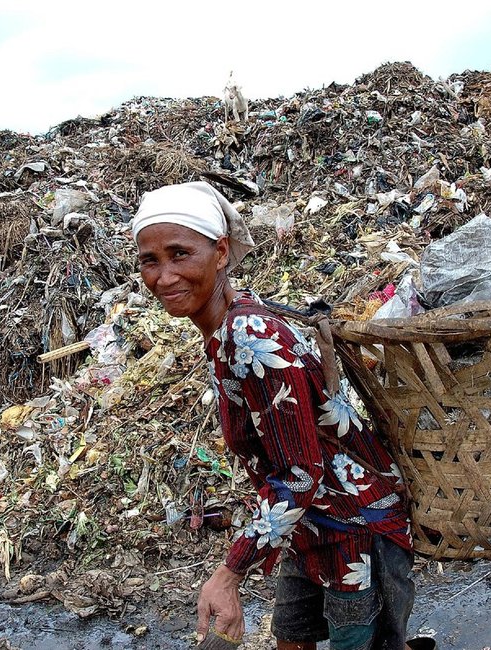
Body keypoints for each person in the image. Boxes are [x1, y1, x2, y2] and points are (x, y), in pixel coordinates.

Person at [133, 181, 418, 650]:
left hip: (356, 531)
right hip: (309, 529)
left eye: (180, 254)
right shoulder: (227, 329)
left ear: (221, 252)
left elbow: (300, 472)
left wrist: (230, 573)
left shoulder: (250, 334)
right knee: (292, 639)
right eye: (150, 260)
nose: (164, 277)